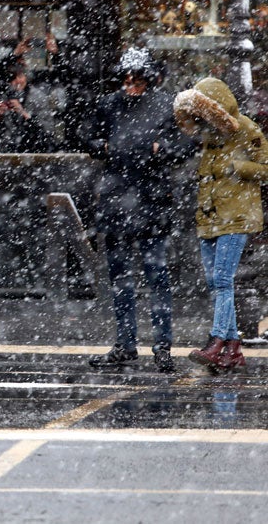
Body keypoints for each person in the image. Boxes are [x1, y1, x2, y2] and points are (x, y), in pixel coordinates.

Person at [85, 47, 194, 373]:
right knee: (122, 279)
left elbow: (186, 146)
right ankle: (126, 344)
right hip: (118, 201)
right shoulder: (110, 105)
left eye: (136, 78)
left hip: (150, 201)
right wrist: (102, 146)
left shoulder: (165, 105)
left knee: (156, 276)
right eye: (126, 78)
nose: (130, 84)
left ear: (148, 78)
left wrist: (161, 150)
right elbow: (85, 135)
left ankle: (161, 347)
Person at [174, 76, 268, 373]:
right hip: (209, 218)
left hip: (236, 216)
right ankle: (233, 348)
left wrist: (239, 167)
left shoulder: (247, 130)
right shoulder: (206, 135)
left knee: (223, 280)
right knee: (216, 284)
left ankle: (216, 342)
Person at [0, 53, 64, 153]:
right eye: (13, 78)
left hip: (34, 151)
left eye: (21, 76)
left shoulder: (38, 97)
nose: (18, 81)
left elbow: (46, 133)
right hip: (10, 152)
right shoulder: (4, 97)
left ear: (26, 76)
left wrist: (24, 113)